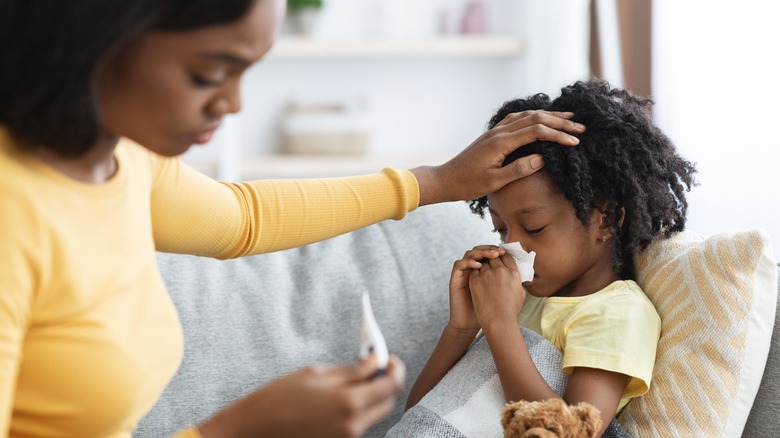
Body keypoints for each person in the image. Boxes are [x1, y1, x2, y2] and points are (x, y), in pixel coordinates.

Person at [0, 1, 588, 437]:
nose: (234, 104)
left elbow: (241, 218)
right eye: (209, 73)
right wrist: (239, 430)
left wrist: (436, 182)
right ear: (97, 39)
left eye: (246, 71)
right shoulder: (15, 217)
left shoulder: (120, 158)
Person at [405, 80, 697, 436]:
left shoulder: (617, 312)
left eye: (534, 227)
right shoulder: (523, 300)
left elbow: (566, 432)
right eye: (501, 230)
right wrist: (462, 328)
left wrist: (500, 324)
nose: (514, 246)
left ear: (606, 218)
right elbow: (418, 418)